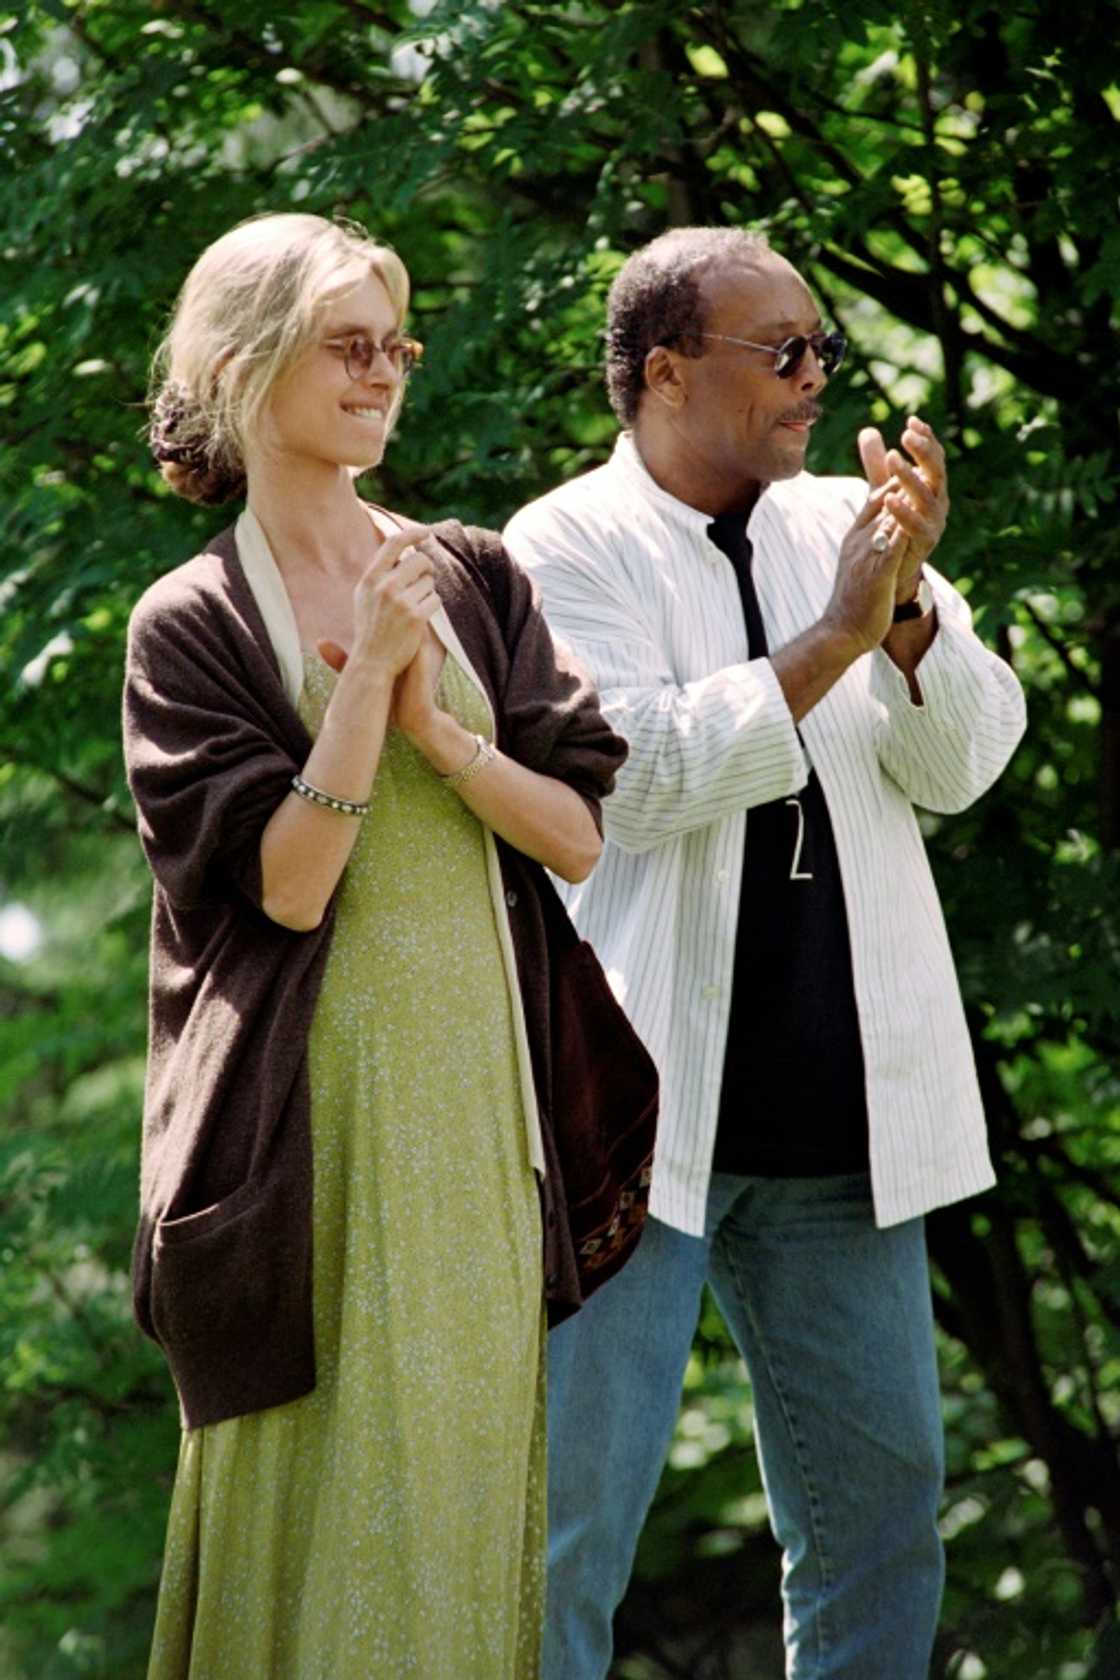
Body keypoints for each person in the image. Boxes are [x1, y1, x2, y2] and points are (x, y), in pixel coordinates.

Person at [502, 224, 1028, 1680]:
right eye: (780, 352)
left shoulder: (848, 532)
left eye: (823, 352)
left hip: (847, 1134)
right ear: (665, 373)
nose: (814, 380)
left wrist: (909, 611)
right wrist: (832, 643)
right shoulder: (558, 546)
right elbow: (637, 778)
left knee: (882, 1528)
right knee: (564, 1542)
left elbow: (968, 763)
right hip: (635, 1130)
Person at [122, 211, 633, 1680]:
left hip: (480, 1099)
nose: (382, 372)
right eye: (349, 344)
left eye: (394, 344)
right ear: (242, 361)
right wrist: (359, 707)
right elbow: (285, 891)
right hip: (302, 1134)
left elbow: (577, 837)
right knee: (322, 1501)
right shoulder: (190, 624)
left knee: (461, 1492)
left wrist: (430, 728)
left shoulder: (467, 571)